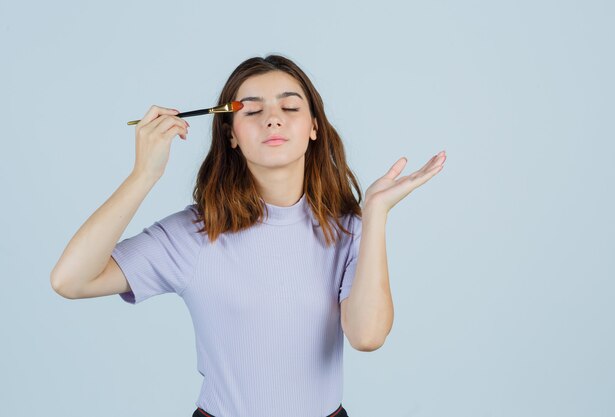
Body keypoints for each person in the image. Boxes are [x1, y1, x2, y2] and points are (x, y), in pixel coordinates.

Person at [50, 54, 447, 417]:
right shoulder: (194, 233)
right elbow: (71, 280)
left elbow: (367, 336)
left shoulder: (348, 228)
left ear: (313, 128)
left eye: (289, 107)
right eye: (253, 110)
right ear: (231, 135)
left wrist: (374, 214)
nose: (272, 119)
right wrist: (144, 175)